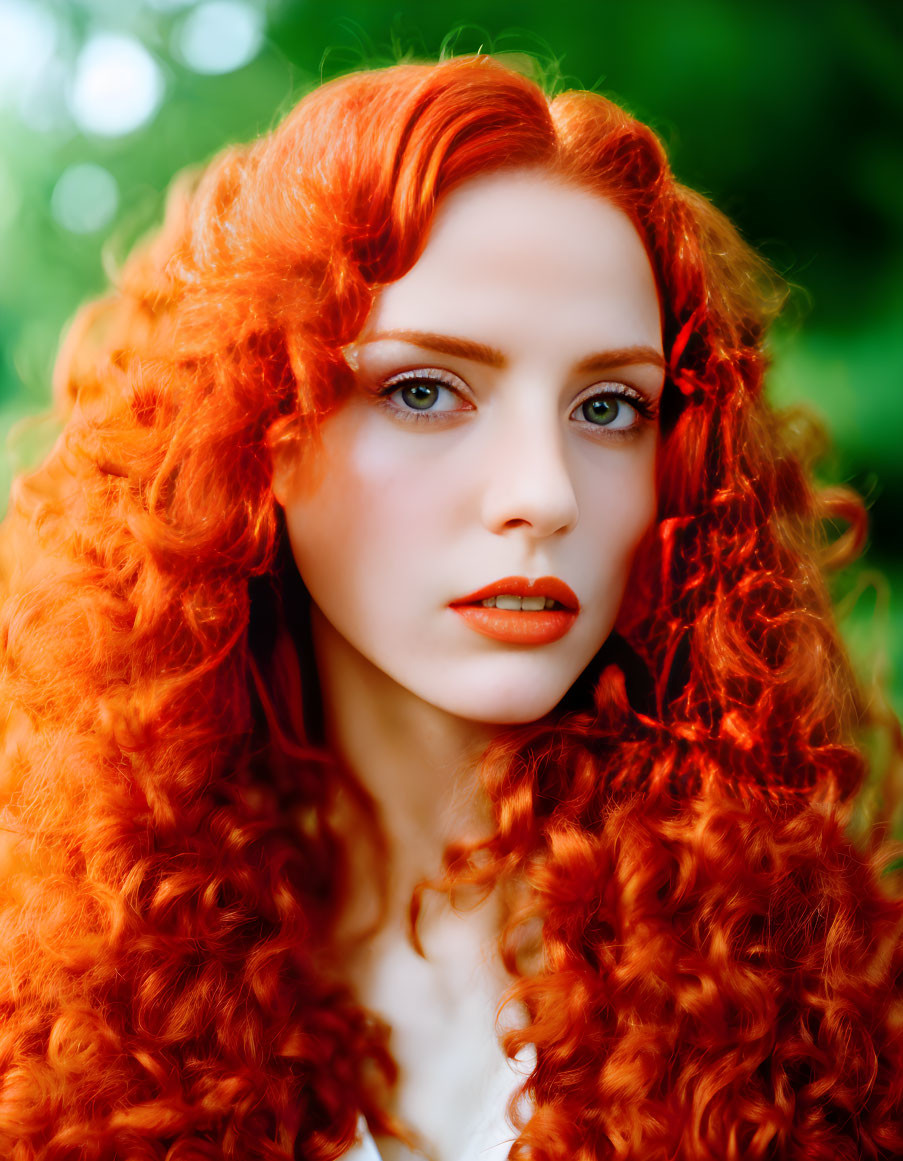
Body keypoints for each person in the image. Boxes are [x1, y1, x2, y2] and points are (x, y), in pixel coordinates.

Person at [0, 54, 900, 1161]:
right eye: (425, 391)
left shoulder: (816, 1014)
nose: (543, 492)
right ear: (259, 439)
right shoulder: (58, 1019)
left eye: (610, 407)